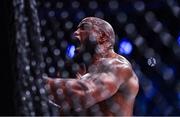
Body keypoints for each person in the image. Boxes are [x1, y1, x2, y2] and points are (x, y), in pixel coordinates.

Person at [44, 17, 139, 116]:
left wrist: (36, 80)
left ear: (102, 37)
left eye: (84, 27)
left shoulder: (117, 66)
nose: (75, 33)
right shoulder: (78, 71)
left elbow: (83, 94)